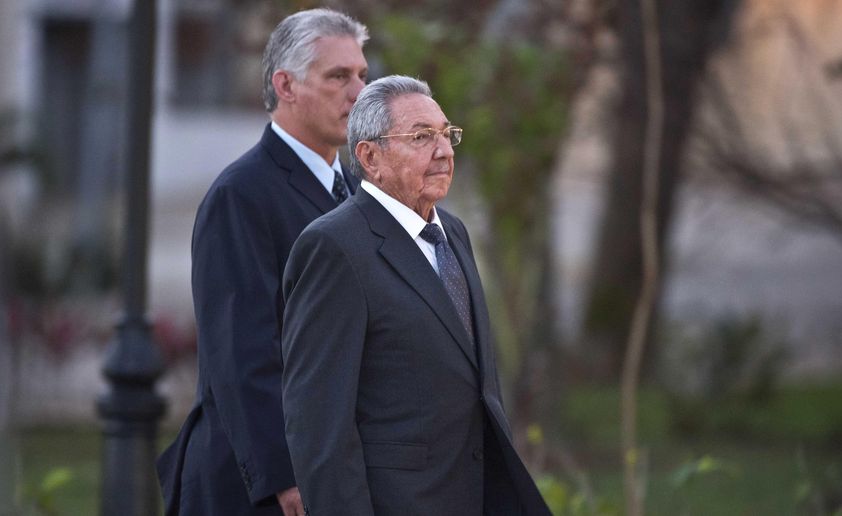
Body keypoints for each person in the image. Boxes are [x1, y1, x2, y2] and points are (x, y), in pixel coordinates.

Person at [279, 75, 552, 516]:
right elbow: (319, 425)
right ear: (370, 157)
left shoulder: (453, 232)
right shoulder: (334, 247)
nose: (444, 151)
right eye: (422, 137)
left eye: (447, 134)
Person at [156, 8, 369, 516]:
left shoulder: (361, 192)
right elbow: (240, 347)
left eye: (362, 75)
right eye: (338, 76)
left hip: (335, 472)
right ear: (286, 85)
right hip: (260, 489)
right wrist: (283, 474)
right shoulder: (241, 194)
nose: (359, 92)